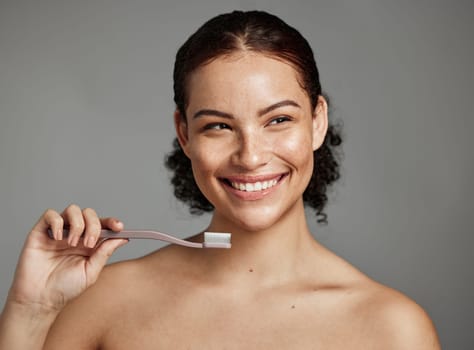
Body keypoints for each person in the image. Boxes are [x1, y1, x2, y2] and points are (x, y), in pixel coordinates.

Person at [0, 10, 440, 349]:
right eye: (218, 126)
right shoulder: (104, 302)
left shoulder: (392, 328)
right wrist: (30, 311)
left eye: (279, 120)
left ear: (318, 121)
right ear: (184, 133)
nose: (250, 156)